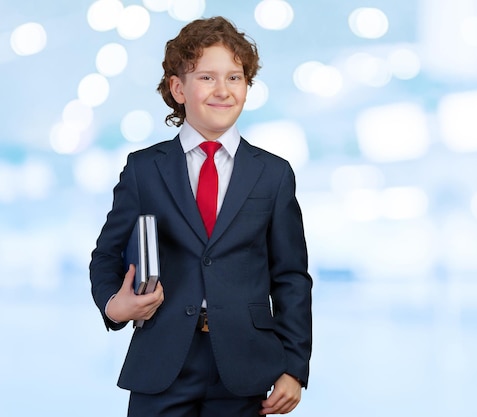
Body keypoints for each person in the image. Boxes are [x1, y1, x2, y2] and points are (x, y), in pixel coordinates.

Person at [89, 16, 313, 417]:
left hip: (244, 365)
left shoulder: (274, 174)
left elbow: (291, 277)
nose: (223, 90)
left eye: (235, 78)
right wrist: (113, 305)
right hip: (162, 362)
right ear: (178, 88)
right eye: (207, 78)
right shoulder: (144, 169)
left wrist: (295, 368)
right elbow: (105, 255)